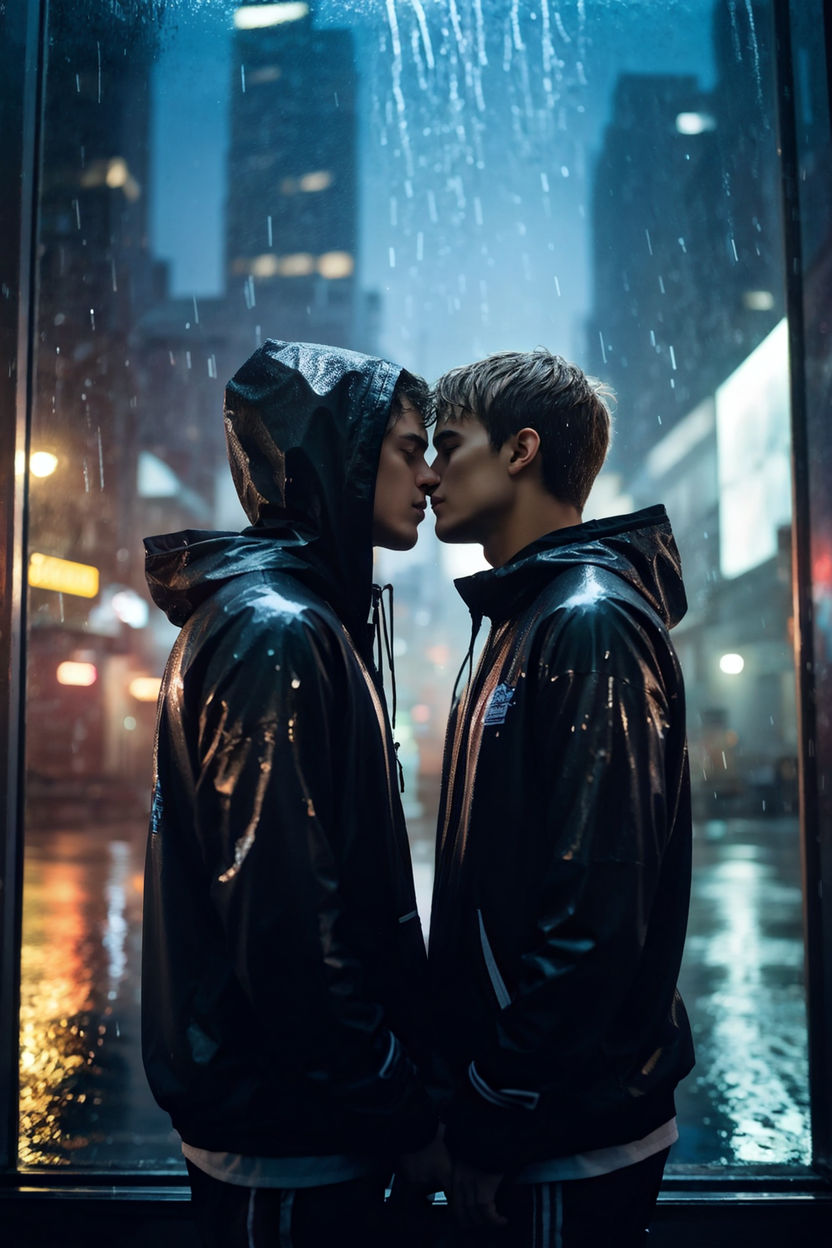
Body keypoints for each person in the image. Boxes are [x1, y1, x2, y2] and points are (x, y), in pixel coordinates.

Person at [142, 340, 449, 1248]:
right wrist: (397, 1102)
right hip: (291, 1143)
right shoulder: (277, 632)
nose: (428, 476)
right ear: (340, 460)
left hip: (297, 1125)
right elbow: (287, 923)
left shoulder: (289, 618)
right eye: (406, 448)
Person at [426, 348, 695, 1246]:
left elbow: (595, 908)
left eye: (449, 443)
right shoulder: (525, 618)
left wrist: (499, 1106)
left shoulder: (587, 622)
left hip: (561, 1136)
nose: (430, 471)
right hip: (541, 1117)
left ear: (520, 450)